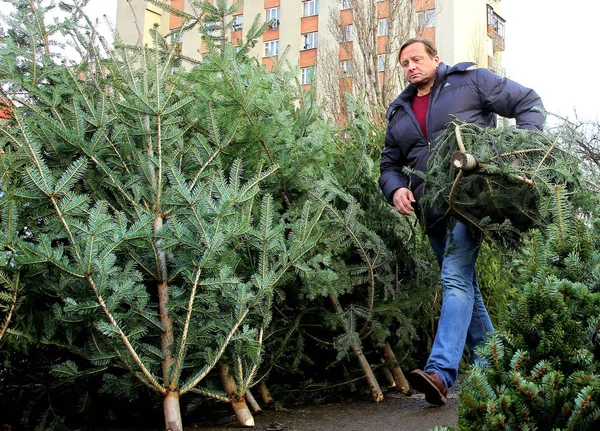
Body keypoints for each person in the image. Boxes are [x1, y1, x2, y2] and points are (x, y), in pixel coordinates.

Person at [379, 38, 544, 406]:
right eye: (404, 63)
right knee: (466, 286)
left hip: (469, 198)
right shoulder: (400, 110)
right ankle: (497, 371)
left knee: (454, 277)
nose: (410, 67)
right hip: (430, 210)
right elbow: (388, 164)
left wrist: (520, 154)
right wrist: (395, 190)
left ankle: (440, 372)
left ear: (435, 59)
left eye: (417, 59)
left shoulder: (470, 81)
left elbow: (527, 102)